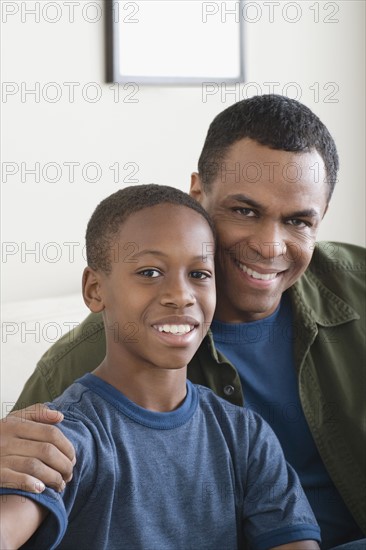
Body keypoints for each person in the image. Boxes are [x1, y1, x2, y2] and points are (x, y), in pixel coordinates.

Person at [1, 95, 365, 548]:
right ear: (199, 194)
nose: (271, 246)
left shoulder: (356, 287)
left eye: (297, 221)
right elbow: (25, 473)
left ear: (320, 219)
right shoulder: (80, 371)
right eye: (245, 211)